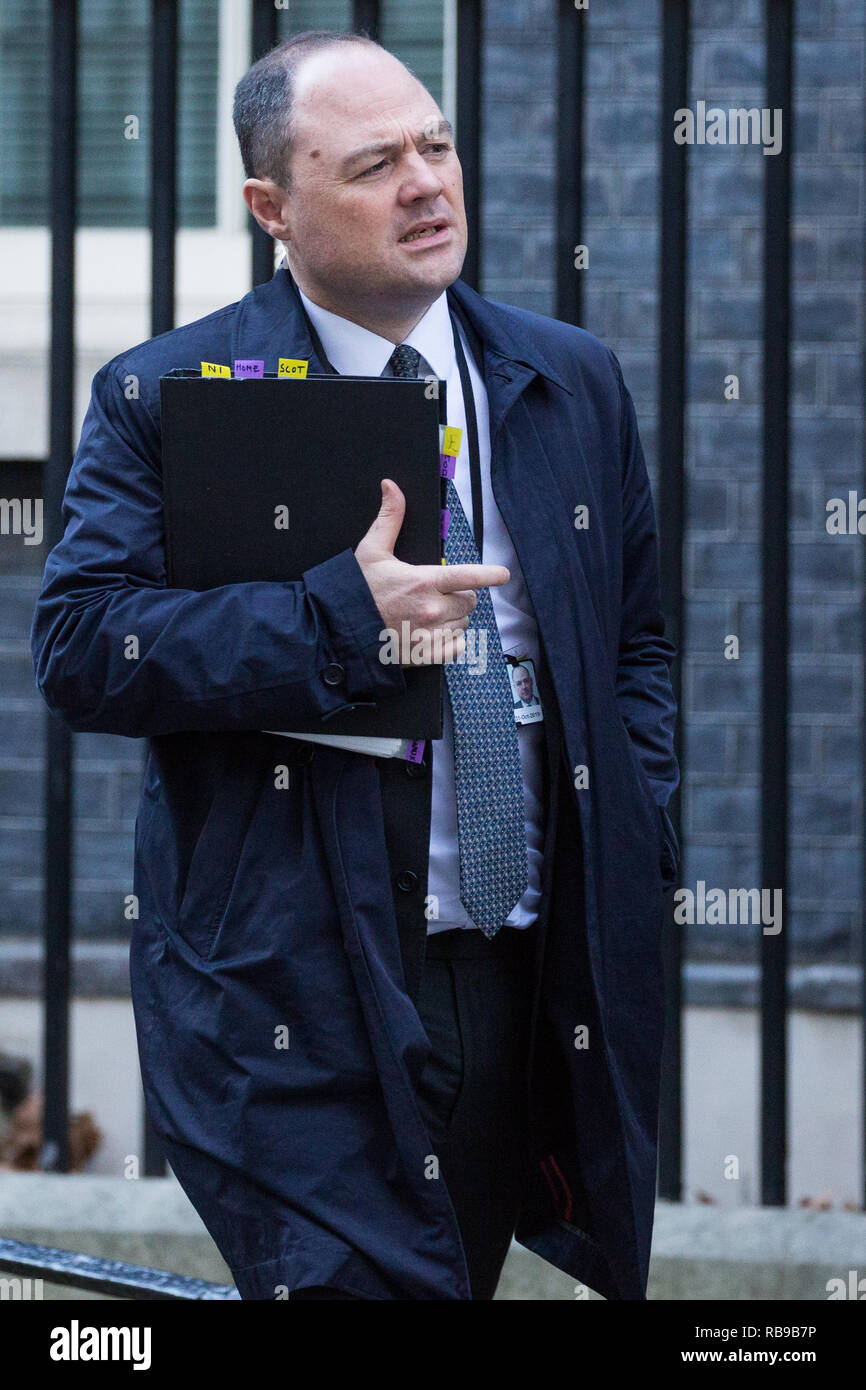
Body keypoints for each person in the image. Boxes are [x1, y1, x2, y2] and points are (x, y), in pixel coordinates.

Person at [30, 30, 680, 1301]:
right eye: (375, 163)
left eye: (433, 145)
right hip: (295, 994)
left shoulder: (567, 378)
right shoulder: (172, 392)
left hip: (527, 971)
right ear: (270, 206)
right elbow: (82, 648)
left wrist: (641, 829)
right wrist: (337, 615)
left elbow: (636, 642)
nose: (427, 184)